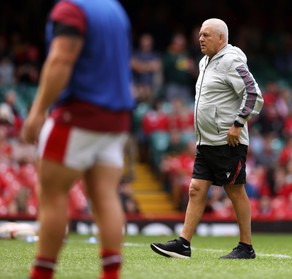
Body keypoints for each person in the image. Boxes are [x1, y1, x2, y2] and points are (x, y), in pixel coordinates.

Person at [21, 1, 134, 278]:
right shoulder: (115, 10)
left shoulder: (71, 9)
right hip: (117, 118)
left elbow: (61, 59)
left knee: (52, 194)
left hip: (78, 114)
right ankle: (111, 274)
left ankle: (42, 272)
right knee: (106, 195)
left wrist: (37, 112)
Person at [150, 18, 264, 259]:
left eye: (206, 35)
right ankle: (183, 244)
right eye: (200, 34)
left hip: (228, 141)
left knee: (234, 191)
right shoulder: (204, 62)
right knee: (195, 189)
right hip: (207, 142)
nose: (200, 39)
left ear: (221, 38)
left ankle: (246, 247)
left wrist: (238, 124)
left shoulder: (232, 61)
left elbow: (253, 93)